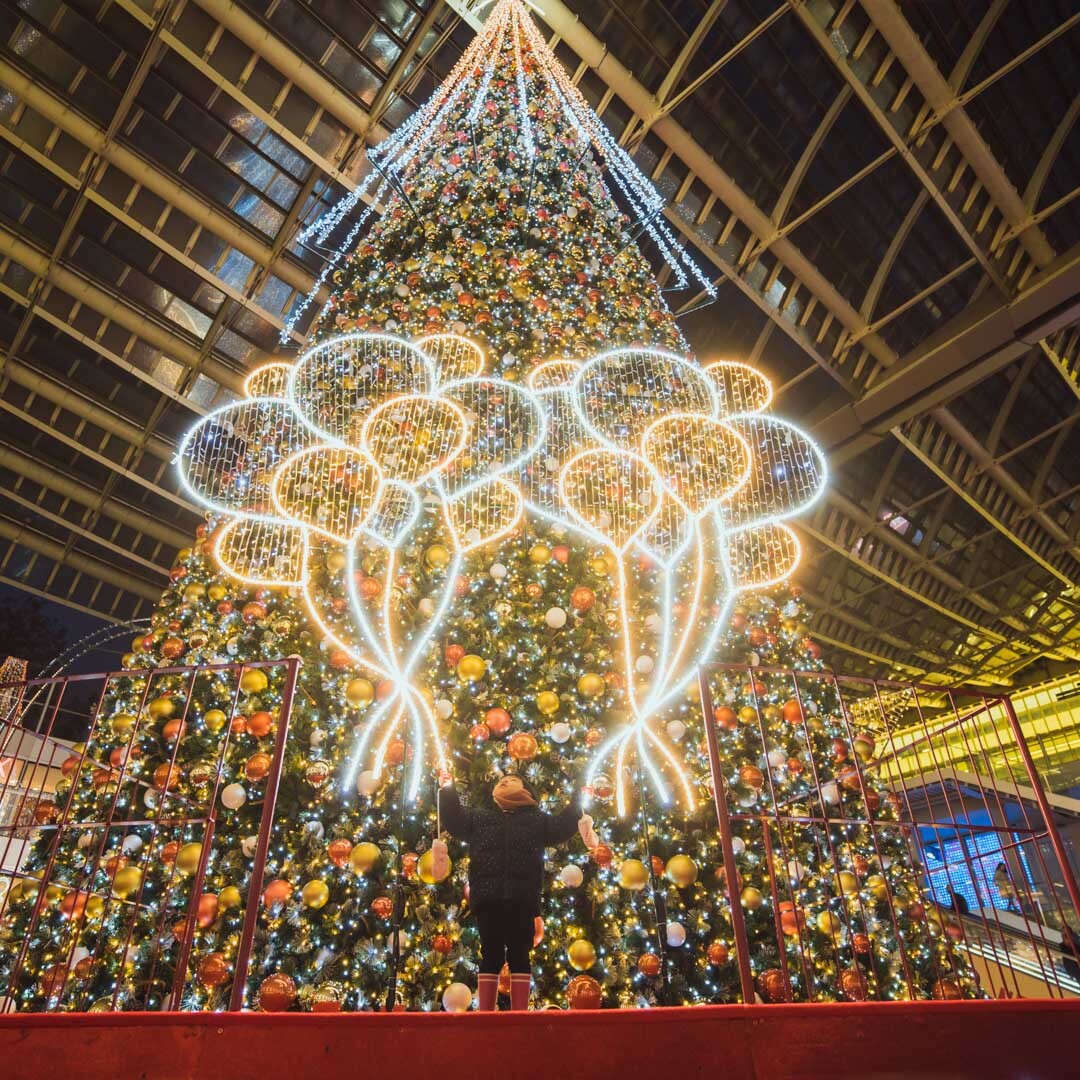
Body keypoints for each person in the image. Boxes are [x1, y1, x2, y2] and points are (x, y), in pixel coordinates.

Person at [439, 773, 583, 1011]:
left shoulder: (536, 820)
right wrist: (447, 790)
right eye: (500, 781)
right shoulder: (480, 817)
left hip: (522, 899)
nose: (504, 781)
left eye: (512, 779)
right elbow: (454, 820)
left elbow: (562, 827)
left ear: (525, 788)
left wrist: (579, 801)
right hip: (488, 898)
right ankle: (486, 1013)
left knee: (519, 955)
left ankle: (520, 1014)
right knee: (490, 955)